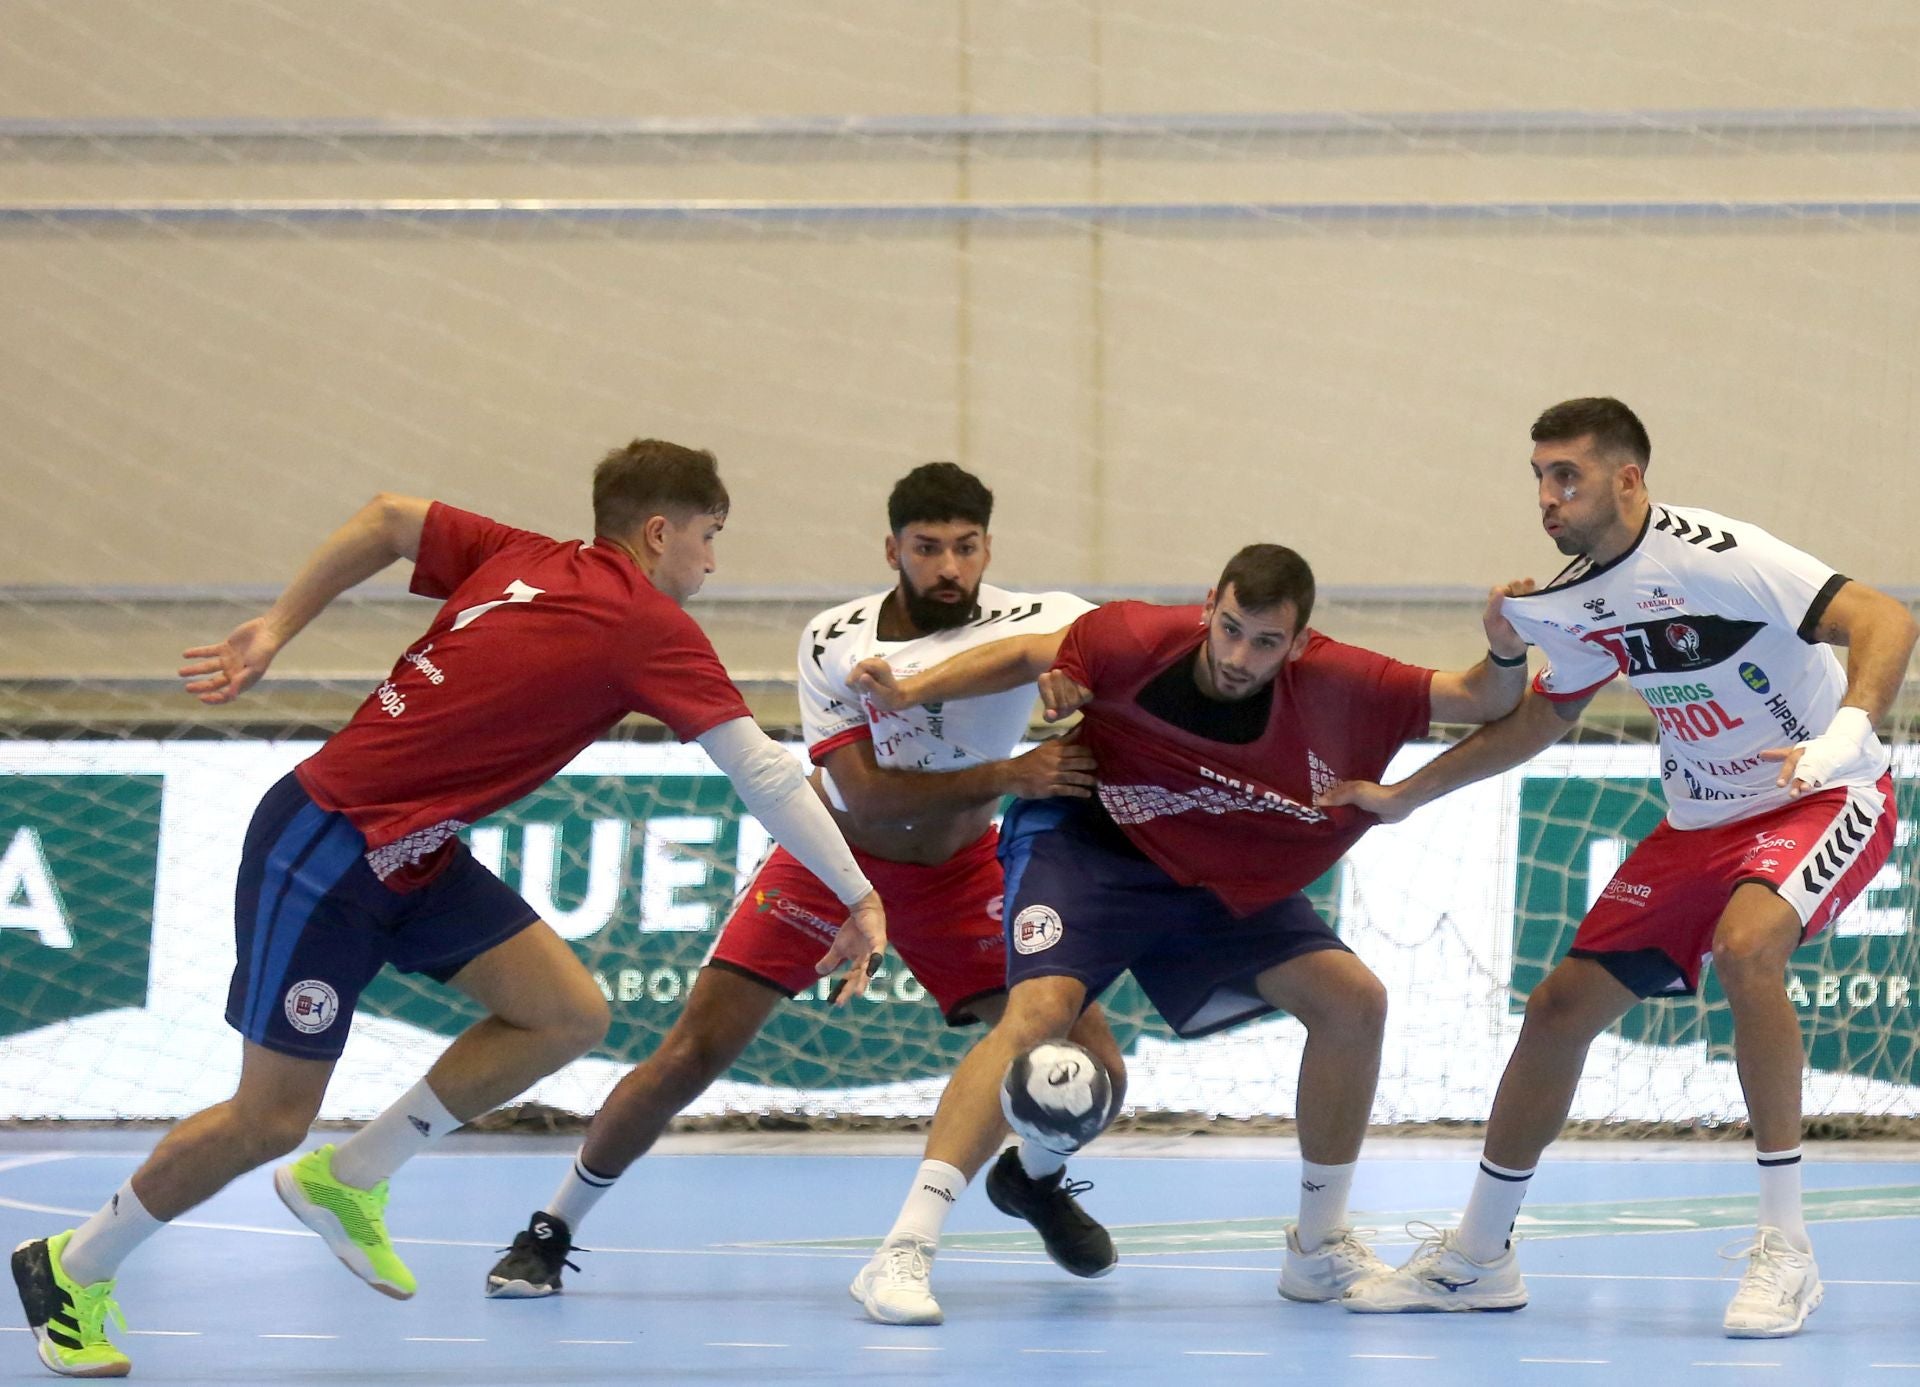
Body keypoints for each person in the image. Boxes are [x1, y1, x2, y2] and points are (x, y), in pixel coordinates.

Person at [10, 440, 886, 1379]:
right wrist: (861, 893)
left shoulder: (525, 556)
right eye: (710, 536)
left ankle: (351, 1175)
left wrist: (277, 628)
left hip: (416, 855)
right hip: (328, 846)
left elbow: (390, 515)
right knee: (268, 1118)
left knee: (565, 1014)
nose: (712, 561)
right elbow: (763, 773)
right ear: (661, 531)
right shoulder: (646, 623)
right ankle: (71, 1265)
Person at [1330, 398, 1915, 1338]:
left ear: (1628, 478)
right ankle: (1479, 1256)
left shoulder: (1718, 554)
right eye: (1538, 477)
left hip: (1821, 793)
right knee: (1558, 1008)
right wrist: (1406, 794)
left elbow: (1884, 616)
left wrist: (1847, 733)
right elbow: (1539, 717)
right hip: (1699, 820)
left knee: (1746, 948)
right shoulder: (1568, 601)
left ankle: (1787, 1249)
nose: (1547, 497)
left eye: (1567, 476)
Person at [482, 462, 1129, 1301]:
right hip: (833, 861)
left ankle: (1032, 1179)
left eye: (966, 548)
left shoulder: (1043, 617)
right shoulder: (838, 640)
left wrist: (1075, 676)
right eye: (927, 548)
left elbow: (1125, 656)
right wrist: (1013, 773)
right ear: (892, 549)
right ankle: (550, 1226)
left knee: (1096, 1062)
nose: (948, 567)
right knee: (693, 1050)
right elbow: (867, 793)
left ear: (988, 547)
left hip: (964, 871)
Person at [844, 542, 1533, 1324]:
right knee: (1037, 1020)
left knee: (1355, 1002)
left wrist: (1505, 648)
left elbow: (1480, 696)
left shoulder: (1343, 679)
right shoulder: (1133, 637)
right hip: (1088, 845)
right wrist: (912, 687)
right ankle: (903, 1247)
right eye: (1230, 628)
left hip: (1213, 872)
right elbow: (1033, 650)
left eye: (1265, 642)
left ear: (1300, 643)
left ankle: (1317, 1247)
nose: (1239, 657)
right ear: (1209, 605)